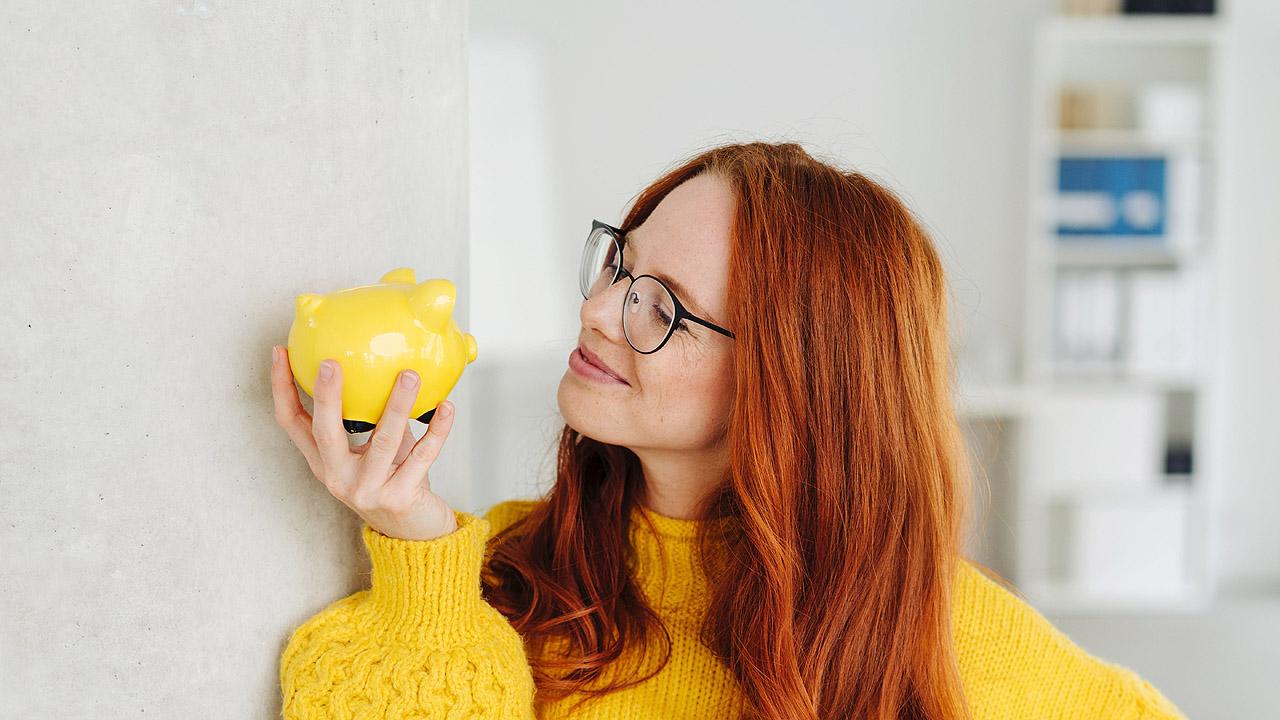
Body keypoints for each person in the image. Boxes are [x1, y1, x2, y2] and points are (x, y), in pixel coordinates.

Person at [271, 141, 1187, 719]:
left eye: (660, 307)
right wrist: (415, 548)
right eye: (619, 262)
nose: (597, 310)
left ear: (792, 379)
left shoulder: (935, 630)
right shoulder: (496, 571)